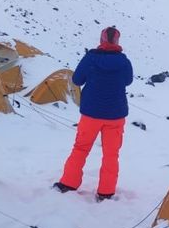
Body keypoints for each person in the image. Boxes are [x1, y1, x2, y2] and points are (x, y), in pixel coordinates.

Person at [54, 26, 133, 201]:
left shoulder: (91, 58)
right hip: (116, 115)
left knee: (80, 148)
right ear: (117, 41)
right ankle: (106, 192)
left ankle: (68, 183)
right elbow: (128, 81)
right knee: (111, 154)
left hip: (91, 113)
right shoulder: (123, 61)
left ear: (101, 39)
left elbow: (77, 80)